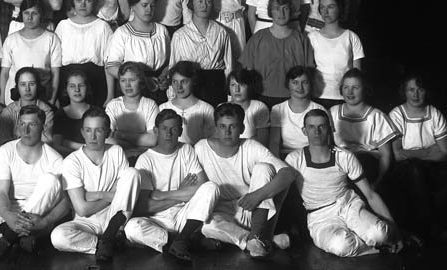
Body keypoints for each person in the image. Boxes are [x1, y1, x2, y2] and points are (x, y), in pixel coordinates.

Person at [285, 109, 403, 256]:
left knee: (381, 234)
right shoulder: (294, 159)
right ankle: (374, 247)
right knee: (341, 246)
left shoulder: (345, 156)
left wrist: (396, 232)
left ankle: (374, 239)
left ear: (330, 129)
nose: (317, 131)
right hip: (320, 216)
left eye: (322, 126)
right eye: (311, 127)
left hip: (349, 206)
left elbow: (370, 194)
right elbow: (281, 195)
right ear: (304, 131)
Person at [194, 103, 295, 258]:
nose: (227, 132)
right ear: (215, 128)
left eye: (233, 126)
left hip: (251, 209)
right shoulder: (201, 148)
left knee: (264, 168)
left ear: (242, 128)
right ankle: (261, 240)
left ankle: (256, 236)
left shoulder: (251, 146)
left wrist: (257, 195)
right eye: (222, 126)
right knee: (207, 227)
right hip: (220, 213)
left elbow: (288, 173)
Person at [125, 109, 220, 260]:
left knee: (211, 187)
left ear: (180, 131)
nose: (168, 134)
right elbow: (144, 207)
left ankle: (181, 240)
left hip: (185, 215)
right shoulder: (145, 159)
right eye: (164, 129)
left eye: (173, 129)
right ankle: (187, 241)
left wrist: (163, 195)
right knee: (132, 228)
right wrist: (181, 194)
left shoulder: (186, 150)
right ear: (156, 131)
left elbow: (202, 186)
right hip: (158, 219)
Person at [50, 107, 141, 262]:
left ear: (107, 132)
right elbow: (82, 209)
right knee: (58, 237)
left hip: (116, 217)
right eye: (88, 130)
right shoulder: (72, 161)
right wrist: (109, 195)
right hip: (86, 222)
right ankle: (106, 242)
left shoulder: (116, 151)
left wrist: (90, 195)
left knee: (133, 173)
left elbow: (126, 186)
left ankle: (113, 233)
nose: (92, 136)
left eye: (98, 130)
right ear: (82, 132)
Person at [0, 105, 72, 258]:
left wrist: (45, 222)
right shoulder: (5, 151)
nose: (25, 130)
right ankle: (19, 236)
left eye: (32, 124)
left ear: (43, 127)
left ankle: (9, 237)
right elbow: (2, 192)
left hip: (38, 218)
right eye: (22, 124)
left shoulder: (55, 159)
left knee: (50, 179)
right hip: (8, 215)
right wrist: (8, 215)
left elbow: (65, 202)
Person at [389, 75, 447, 243]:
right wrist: (428, 150)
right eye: (411, 90)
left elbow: (444, 153)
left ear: (426, 91)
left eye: (420, 89)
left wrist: (412, 152)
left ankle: (423, 230)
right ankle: (433, 231)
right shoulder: (397, 114)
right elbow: (397, 154)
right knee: (415, 171)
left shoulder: (434, 113)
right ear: (404, 92)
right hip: (404, 169)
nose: (416, 94)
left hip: (431, 166)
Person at [240, 0, 315, 108]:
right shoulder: (258, 37)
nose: (281, 13)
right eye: (276, 9)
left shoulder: (300, 39)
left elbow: (309, 71)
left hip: (293, 97)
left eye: (285, 8)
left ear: (291, 11)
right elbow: (248, 70)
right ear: (270, 12)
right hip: (262, 96)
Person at [329, 69, 397, 188]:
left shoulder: (376, 116)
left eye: (355, 87)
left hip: (366, 163)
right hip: (340, 162)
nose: (350, 92)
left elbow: (385, 155)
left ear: (365, 89)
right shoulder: (333, 112)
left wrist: (378, 183)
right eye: (346, 87)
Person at [169, 0, 234, 106]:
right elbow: (174, 66)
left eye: (208, 2)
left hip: (215, 85)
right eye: (200, 1)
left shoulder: (221, 32)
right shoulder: (180, 35)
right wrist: (173, 95)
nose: (204, 6)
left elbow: (229, 65)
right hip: (190, 85)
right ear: (191, 4)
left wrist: (229, 94)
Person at [104, 0, 170, 103]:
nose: (149, 9)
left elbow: (169, 62)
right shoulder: (123, 32)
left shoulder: (161, 31)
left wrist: (164, 76)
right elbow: (111, 66)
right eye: (144, 5)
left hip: (158, 89)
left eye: (152, 5)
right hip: (133, 90)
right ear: (133, 6)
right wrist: (141, 79)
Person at [54, 0, 113, 107]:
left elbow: (109, 63)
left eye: (88, 1)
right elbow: (55, 63)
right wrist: (54, 95)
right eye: (79, 0)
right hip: (67, 80)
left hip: (95, 81)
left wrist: (110, 95)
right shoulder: (63, 26)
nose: (83, 5)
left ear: (94, 2)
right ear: (73, 2)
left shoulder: (102, 26)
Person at [0, 0, 62, 104]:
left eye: (34, 13)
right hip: (14, 98)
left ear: (41, 14)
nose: (30, 18)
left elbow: (55, 73)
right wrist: (1, 98)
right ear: (21, 14)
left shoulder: (51, 38)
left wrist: (52, 100)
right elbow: (4, 73)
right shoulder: (11, 39)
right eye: (26, 13)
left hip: (42, 97)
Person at [308, 0, 364, 106]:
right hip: (318, 97)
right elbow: (308, 69)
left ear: (340, 8)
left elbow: (356, 74)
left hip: (345, 97)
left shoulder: (351, 37)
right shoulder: (312, 37)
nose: (325, 11)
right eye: (322, 7)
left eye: (330, 7)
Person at [105, 62, 159, 161]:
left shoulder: (150, 105)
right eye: (123, 80)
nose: (127, 85)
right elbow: (107, 139)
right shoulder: (113, 105)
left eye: (132, 80)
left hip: (145, 158)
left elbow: (152, 140)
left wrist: (120, 135)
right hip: (119, 157)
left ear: (141, 82)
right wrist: (137, 145)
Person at [269, 66, 325, 158]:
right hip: (285, 156)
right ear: (288, 84)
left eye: (304, 82)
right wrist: (277, 163)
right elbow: (274, 143)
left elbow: (325, 141)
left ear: (310, 84)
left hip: (312, 156)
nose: (300, 87)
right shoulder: (278, 109)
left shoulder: (319, 109)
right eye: (295, 82)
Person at [158, 62, 215, 145]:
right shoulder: (162, 108)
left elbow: (212, 140)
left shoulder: (206, 109)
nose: (179, 87)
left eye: (183, 81)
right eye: (175, 82)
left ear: (193, 81)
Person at [0, 67, 55, 145]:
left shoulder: (46, 111)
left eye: (32, 84)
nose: (27, 89)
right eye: (23, 84)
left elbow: (48, 140)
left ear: (38, 86)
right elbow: (3, 141)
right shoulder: (8, 111)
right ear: (17, 87)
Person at [52, 70, 92, 156]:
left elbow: (99, 145)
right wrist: (82, 153)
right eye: (72, 86)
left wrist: (67, 143)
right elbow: (56, 146)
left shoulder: (96, 112)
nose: (77, 90)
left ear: (87, 88)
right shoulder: (60, 115)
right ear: (66, 89)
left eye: (81, 85)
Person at [227, 69, 270, 145]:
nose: (237, 89)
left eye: (242, 85)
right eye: (233, 85)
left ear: (250, 86)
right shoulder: (222, 107)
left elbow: (262, 142)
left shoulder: (259, 107)